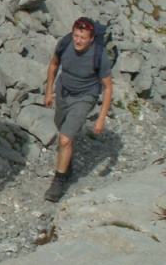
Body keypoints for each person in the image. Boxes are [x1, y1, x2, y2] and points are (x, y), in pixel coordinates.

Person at [42, 16, 114, 202]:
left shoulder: (99, 55)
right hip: (63, 91)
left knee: (65, 139)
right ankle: (66, 163)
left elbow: (107, 88)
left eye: (83, 37)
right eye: (76, 35)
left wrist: (101, 118)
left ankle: (59, 181)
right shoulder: (65, 43)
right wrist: (49, 92)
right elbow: (53, 65)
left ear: (91, 39)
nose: (78, 41)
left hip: (85, 96)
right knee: (62, 128)